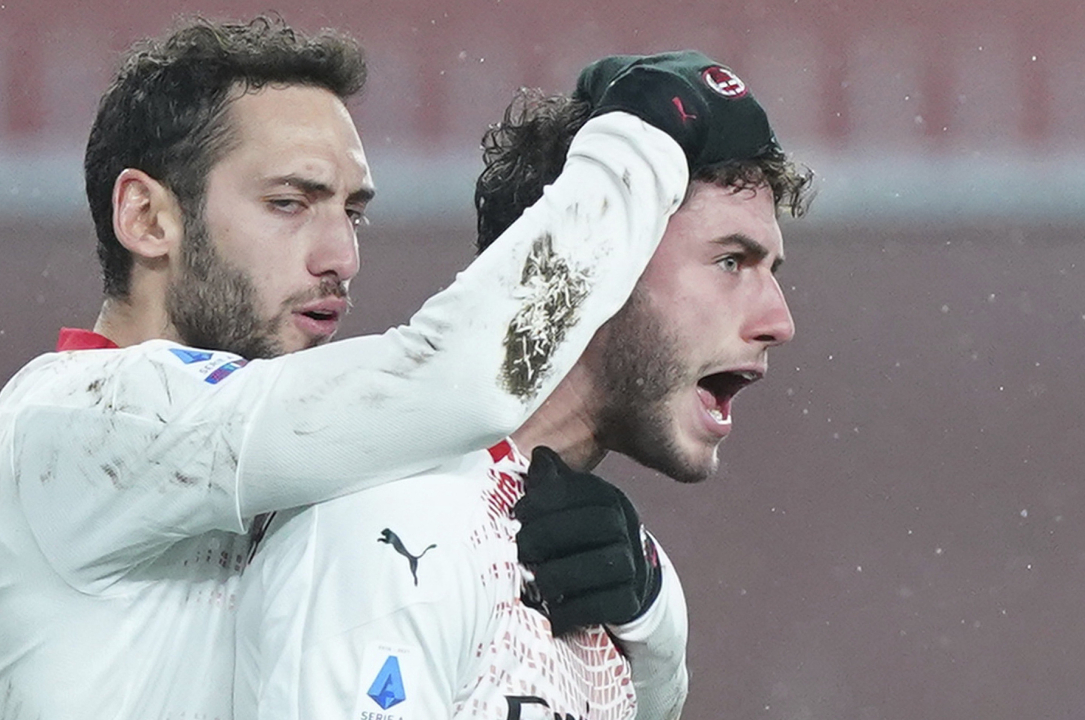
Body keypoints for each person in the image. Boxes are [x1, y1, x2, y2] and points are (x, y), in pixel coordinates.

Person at [0, 17, 701, 720]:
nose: (341, 257)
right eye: (288, 203)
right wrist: (647, 138)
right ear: (147, 219)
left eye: (352, 211)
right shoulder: (72, 424)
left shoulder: (316, 469)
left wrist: (649, 609)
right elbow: (461, 379)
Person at [234, 51, 813, 720]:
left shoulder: (617, 587)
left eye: (769, 268)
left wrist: (654, 629)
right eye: (730, 261)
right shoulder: (392, 534)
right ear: (599, 262)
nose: (779, 321)